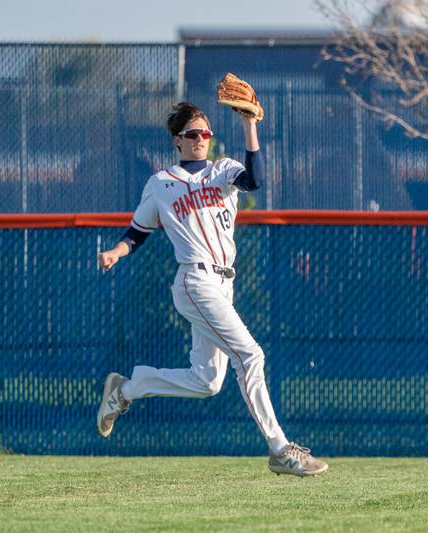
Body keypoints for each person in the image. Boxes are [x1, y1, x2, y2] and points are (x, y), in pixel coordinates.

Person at [96, 102, 328, 477]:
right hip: (195, 280)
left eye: (205, 133)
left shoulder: (224, 170)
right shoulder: (161, 183)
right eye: (192, 134)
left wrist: (250, 125)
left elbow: (255, 181)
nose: (200, 139)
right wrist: (116, 252)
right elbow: (138, 231)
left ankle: (127, 388)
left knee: (206, 381)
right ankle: (281, 449)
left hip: (224, 282)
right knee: (250, 355)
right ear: (178, 140)